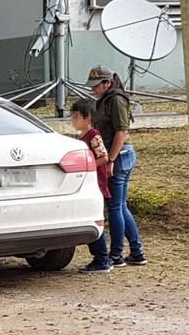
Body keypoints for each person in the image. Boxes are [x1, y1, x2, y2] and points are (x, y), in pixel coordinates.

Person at [86, 66, 148, 267]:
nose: (94, 89)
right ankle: (137, 252)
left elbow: (122, 132)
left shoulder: (116, 100)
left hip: (119, 156)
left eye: (97, 85)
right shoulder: (106, 99)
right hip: (118, 156)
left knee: (114, 207)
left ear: (108, 83)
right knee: (120, 206)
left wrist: (110, 160)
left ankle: (116, 255)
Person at [71, 99, 113, 274]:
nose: (73, 121)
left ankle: (102, 258)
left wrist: (87, 165)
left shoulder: (93, 136)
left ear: (87, 117)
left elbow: (103, 157)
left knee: (94, 221)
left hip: (95, 184)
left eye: (76, 117)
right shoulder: (80, 138)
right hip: (87, 184)